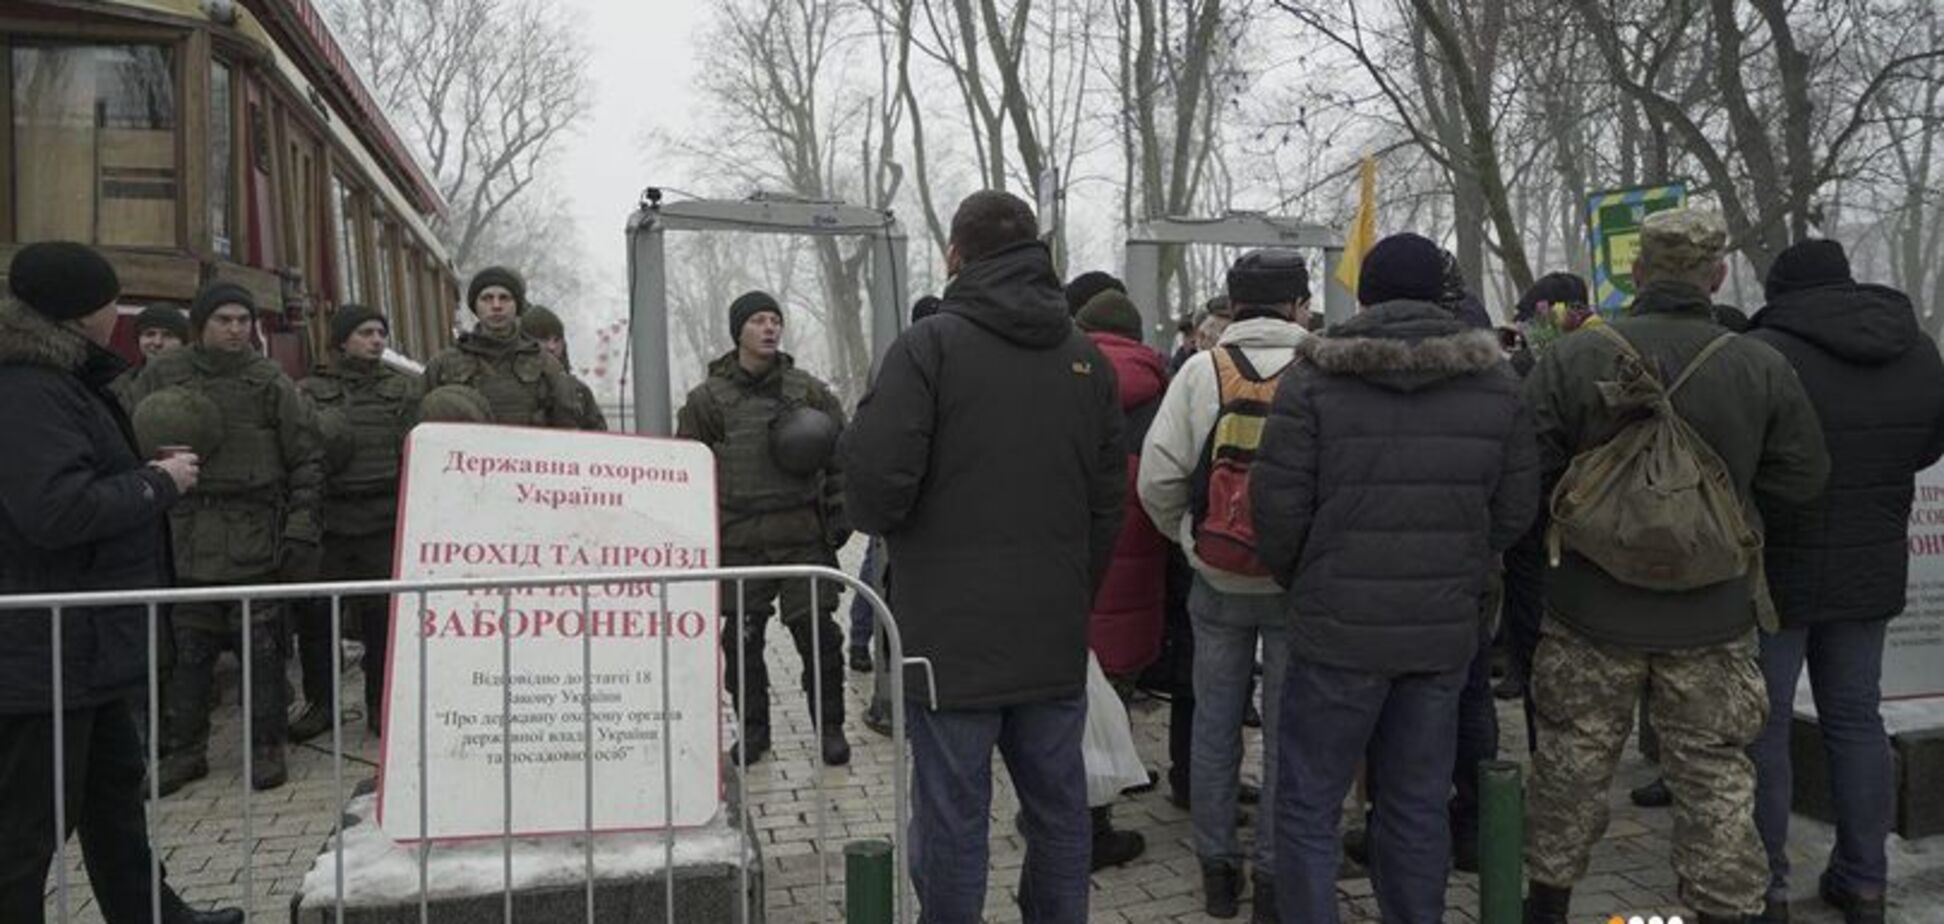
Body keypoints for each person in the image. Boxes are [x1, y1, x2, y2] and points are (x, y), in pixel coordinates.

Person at [1521, 209, 1830, 924]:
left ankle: (1548, 905)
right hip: (1714, 616)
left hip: (1588, 611)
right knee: (1716, 777)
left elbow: (1525, 470)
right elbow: (1805, 480)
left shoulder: (1573, 358)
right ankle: (1727, 908)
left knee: (1570, 766)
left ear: (1636, 274)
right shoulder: (1759, 364)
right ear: (1717, 275)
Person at [841, 190, 1123, 923]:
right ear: (1036, 251)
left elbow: (872, 496)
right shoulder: (1086, 359)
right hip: (1052, 636)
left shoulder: (928, 348)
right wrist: (1068, 593)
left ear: (956, 256)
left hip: (946, 644)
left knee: (952, 821)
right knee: (1060, 814)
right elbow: (1106, 508)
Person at [1249, 232, 1538, 924]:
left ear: (1365, 294)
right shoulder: (1496, 383)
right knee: (1415, 803)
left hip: (1335, 631)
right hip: (1440, 631)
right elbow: (1515, 510)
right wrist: (1459, 565)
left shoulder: (1314, 379)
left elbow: (1276, 507)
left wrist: (1310, 578)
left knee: (1310, 805)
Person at [0, 241, 242, 924]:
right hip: (41, 652)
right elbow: (54, 512)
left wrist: (139, 473)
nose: (121, 316)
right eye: (113, 302)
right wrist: (156, 483)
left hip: (82, 647)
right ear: (83, 312)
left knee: (113, 800)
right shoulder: (27, 390)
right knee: (27, 827)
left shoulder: (59, 380)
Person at [1745, 239, 1944, 924]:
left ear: (1781, 293)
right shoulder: (1917, 350)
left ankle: (1767, 888)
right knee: (1858, 718)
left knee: (1764, 727)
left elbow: (1746, 455)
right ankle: (1864, 882)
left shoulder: (1767, 351)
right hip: (1874, 560)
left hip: (1778, 566)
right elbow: (1929, 446)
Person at [1139, 249, 1312, 920]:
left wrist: (1190, 541)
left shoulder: (1199, 372)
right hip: (1297, 584)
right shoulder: (1320, 367)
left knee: (1214, 725)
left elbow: (1157, 479)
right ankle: (1272, 876)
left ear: (1233, 306)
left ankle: (1217, 873)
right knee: (1288, 730)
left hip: (1215, 578)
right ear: (1299, 305)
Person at [127, 283, 324, 797]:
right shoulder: (162, 376)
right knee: (188, 649)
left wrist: (301, 526)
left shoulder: (269, 382)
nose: (235, 328)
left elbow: (305, 456)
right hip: (185, 529)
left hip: (254, 529)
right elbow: (128, 439)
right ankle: (184, 750)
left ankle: (265, 746)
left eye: (243, 319)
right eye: (224, 319)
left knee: (261, 646)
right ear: (201, 324)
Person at [677, 291, 851, 768]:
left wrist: (839, 512)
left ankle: (830, 728)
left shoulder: (807, 391)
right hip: (741, 538)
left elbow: (840, 452)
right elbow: (686, 468)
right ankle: (754, 732)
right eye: (758, 320)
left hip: (801, 535)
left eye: (775, 320)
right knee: (743, 640)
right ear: (739, 331)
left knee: (819, 636)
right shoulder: (707, 400)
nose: (770, 328)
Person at [1074, 287, 1169, 872]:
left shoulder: (1061, 382)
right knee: (1114, 704)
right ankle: (1095, 826)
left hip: (1069, 573)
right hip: (1137, 574)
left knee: (1067, 709)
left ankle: (1062, 817)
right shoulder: (1162, 391)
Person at [293, 305, 421, 741]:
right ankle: (322, 704)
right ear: (343, 339)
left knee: (382, 622)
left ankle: (379, 705)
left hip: (383, 520)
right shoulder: (309, 391)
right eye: (366, 332)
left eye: (381, 332)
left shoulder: (405, 391)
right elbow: (299, 452)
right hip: (329, 520)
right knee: (316, 621)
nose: (376, 340)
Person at [421, 267, 583, 428]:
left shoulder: (547, 367)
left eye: (505, 298)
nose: (496, 305)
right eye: (487, 298)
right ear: (475, 306)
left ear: (517, 305)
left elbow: (568, 433)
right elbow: (416, 428)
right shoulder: (443, 364)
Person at [521, 304, 607, 431]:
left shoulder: (579, 391)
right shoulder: (512, 384)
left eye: (557, 340)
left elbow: (599, 437)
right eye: (544, 339)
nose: (552, 347)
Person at [108, 304, 188, 412]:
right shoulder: (121, 385)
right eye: (150, 334)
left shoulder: (195, 382)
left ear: (183, 343)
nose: (157, 342)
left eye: (168, 335)